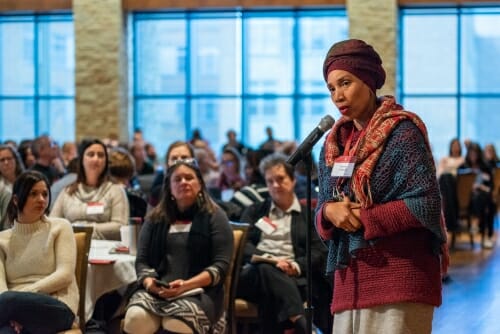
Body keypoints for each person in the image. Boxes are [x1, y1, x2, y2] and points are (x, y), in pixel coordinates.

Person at [316, 39, 448, 334]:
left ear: (368, 78)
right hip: (349, 282)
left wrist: (362, 218)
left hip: (399, 278)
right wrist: (329, 213)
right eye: (332, 88)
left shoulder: (403, 133)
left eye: (345, 83)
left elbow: (424, 204)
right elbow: (323, 207)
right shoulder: (333, 144)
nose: (338, 95)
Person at [123, 158, 233, 334]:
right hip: (157, 290)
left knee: (177, 322)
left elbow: (221, 266)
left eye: (189, 178)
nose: (184, 182)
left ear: (200, 184)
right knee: (136, 318)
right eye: (177, 179)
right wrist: (151, 284)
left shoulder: (215, 216)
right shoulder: (155, 218)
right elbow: (142, 261)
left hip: (199, 292)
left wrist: (185, 285)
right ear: (170, 188)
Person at [236, 153, 329, 334]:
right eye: (270, 181)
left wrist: (295, 266)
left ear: (293, 180)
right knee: (266, 268)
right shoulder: (254, 212)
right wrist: (269, 260)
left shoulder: (308, 215)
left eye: (280, 179)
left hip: (293, 276)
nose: (275, 185)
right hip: (253, 275)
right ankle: (304, 326)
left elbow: (319, 251)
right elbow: (243, 246)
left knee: (272, 288)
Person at [0, 170, 78, 334]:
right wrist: (14, 311)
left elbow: (64, 275)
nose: (41, 200)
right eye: (33, 194)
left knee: (9, 300)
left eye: (44, 194)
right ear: (16, 200)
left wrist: (19, 300)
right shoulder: (2, 240)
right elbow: (1, 289)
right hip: (13, 311)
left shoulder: (60, 227)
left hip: (56, 307)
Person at [50, 138, 129, 240]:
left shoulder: (116, 191)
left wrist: (83, 229)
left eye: (100, 155)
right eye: (91, 154)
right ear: (82, 159)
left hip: (105, 250)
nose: (96, 159)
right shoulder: (68, 191)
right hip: (71, 248)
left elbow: (120, 226)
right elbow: (53, 223)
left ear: (106, 161)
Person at [149, 141, 195, 207]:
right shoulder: (157, 194)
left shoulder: (201, 191)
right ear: (167, 164)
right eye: (174, 159)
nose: (179, 162)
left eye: (184, 158)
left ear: (193, 162)